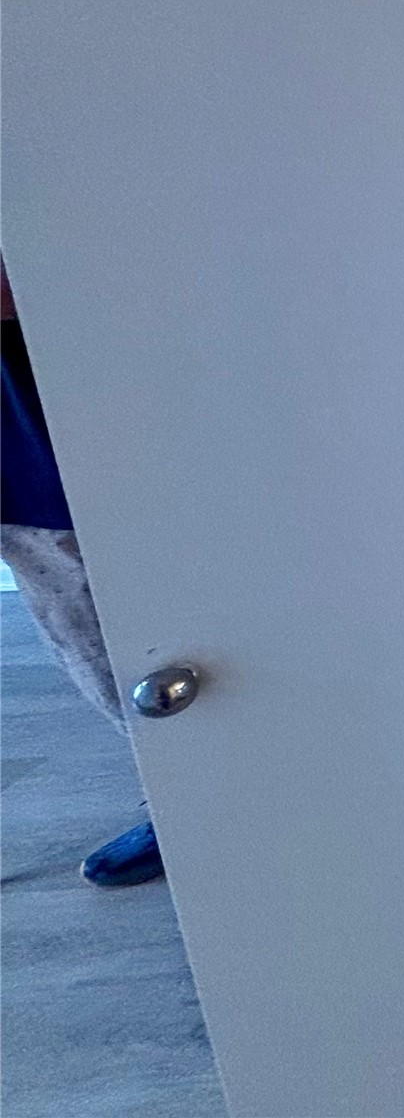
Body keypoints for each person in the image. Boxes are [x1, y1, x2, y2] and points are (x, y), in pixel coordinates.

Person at [1, 255, 163, 886]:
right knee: (72, 608)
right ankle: (181, 800)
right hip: (22, 398)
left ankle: (206, 799)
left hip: (94, 352)